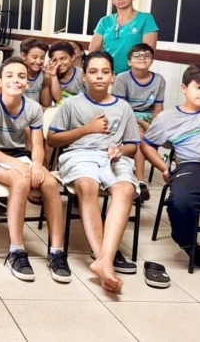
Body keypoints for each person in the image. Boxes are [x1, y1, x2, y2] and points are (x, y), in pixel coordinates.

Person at [47, 51, 140, 293]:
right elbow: (53, 139)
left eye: (105, 72)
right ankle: (104, 259)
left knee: (125, 189)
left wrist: (120, 150)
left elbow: (133, 144)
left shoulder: (123, 107)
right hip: (79, 156)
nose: (99, 77)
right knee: (87, 186)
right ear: (84, 76)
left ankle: (103, 261)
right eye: (93, 72)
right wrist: (87, 130)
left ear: (113, 76)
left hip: (111, 157)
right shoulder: (71, 104)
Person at [0, 57, 71, 283]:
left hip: (21, 156)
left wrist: (37, 165)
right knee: (21, 183)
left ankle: (56, 251)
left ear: (27, 83)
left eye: (21, 77)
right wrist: (19, 166)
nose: (15, 80)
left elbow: (37, 146)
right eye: (9, 76)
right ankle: (16, 250)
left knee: (50, 183)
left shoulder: (34, 108)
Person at [141, 64, 200, 269]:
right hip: (193, 166)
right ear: (184, 88)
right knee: (181, 202)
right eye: (199, 87)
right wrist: (163, 168)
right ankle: (188, 243)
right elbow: (147, 144)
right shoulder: (167, 118)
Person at [112, 43, 165, 201]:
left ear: (152, 60)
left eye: (147, 56)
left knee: (148, 134)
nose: (142, 58)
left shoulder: (159, 80)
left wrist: (156, 125)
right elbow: (121, 108)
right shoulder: (122, 79)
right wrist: (143, 124)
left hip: (148, 119)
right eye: (137, 56)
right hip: (126, 117)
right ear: (129, 61)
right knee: (140, 136)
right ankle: (140, 181)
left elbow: (158, 108)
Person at [90, 0, 159, 75]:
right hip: (107, 74)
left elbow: (148, 51)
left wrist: (133, 75)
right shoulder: (104, 21)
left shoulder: (146, 19)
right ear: (113, 0)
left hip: (133, 75)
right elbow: (94, 48)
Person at [20, 37, 50, 107]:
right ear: (23, 56)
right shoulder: (15, 74)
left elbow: (46, 104)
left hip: (35, 112)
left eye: (42, 58)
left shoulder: (43, 75)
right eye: (34, 57)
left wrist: (46, 81)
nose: (39, 62)